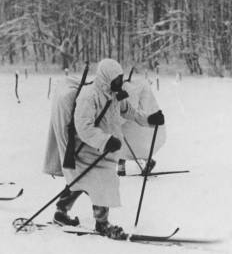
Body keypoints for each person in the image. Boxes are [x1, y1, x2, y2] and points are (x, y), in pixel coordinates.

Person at [43, 58, 165, 239]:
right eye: (116, 79)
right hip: (87, 148)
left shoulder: (115, 94)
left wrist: (149, 119)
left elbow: (129, 112)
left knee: (80, 181)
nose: (119, 82)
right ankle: (102, 223)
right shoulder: (89, 96)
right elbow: (83, 128)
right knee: (102, 182)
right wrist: (105, 141)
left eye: (120, 78)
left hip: (104, 148)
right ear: (106, 78)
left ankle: (60, 213)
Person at [116, 76, 166, 176]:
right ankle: (122, 164)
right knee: (122, 141)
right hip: (129, 118)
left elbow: (131, 107)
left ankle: (148, 162)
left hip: (134, 118)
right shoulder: (124, 87)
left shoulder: (131, 89)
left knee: (133, 142)